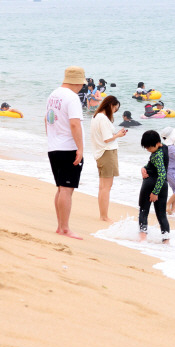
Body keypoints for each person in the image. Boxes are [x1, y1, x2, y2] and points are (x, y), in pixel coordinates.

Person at [45, 66, 86, 240]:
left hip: (53, 147)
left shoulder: (53, 95)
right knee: (66, 189)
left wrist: (51, 139)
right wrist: (81, 148)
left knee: (61, 188)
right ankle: (65, 228)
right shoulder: (72, 97)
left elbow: (47, 120)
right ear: (77, 82)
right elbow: (75, 124)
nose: (82, 87)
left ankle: (60, 226)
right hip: (68, 148)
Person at [90, 95, 127, 222]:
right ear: (111, 105)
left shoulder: (95, 116)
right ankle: (104, 216)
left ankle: (103, 215)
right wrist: (118, 135)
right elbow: (106, 139)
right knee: (106, 187)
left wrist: (116, 135)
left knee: (103, 186)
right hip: (106, 153)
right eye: (115, 108)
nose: (115, 111)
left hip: (101, 153)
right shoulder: (103, 118)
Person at [139, 130, 170, 244]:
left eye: (149, 148)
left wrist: (155, 192)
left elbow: (161, 174)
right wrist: (144, 167)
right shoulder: (165, 148)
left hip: (151, 184)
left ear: (157, 143)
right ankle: (166, 241)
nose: (148, 150)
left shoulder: (156, 155)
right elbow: (153, 165)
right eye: (146, 148)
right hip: (163, 186)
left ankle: (142, 239)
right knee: (162, 215)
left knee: (143, 211)